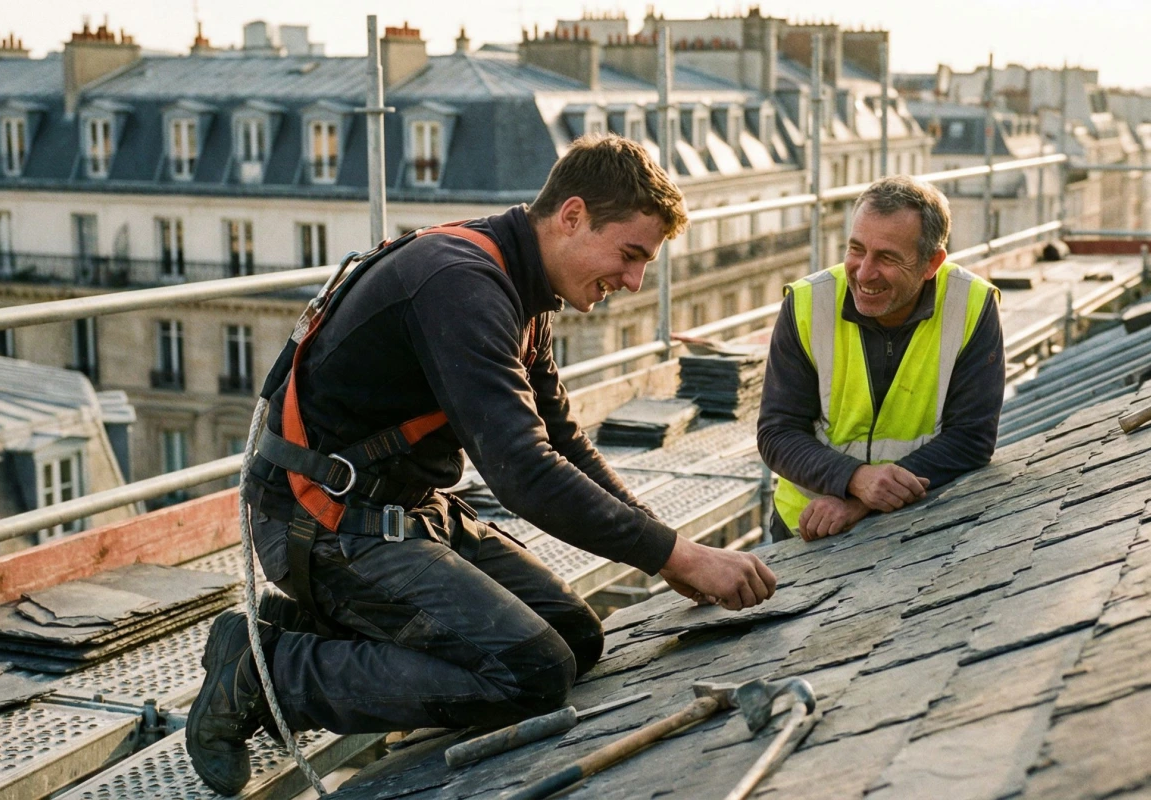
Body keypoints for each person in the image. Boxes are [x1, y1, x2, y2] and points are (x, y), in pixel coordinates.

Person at [187, 135, 778, 795]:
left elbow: (561, 441)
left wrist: (668, 547)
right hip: (320, 523)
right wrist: (675, 557)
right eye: (631, 254)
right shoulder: (462, 283)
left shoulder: (519, 287)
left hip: (398, 511)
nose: (635, 281)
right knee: (529, 672)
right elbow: (521, 470)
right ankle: (268, 672)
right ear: (573, 216)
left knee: (575, 639)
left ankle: (306, 631)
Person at [757, 176, 1005, 542]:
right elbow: (777, 433)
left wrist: (863, 502)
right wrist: (856, 480)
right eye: (856, 249)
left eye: (887, 257)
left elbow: (971, 439)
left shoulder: (971, 305)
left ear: (931, 263)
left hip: (915, 528)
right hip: (805, 529)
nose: (864, 271)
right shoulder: (809, 303)